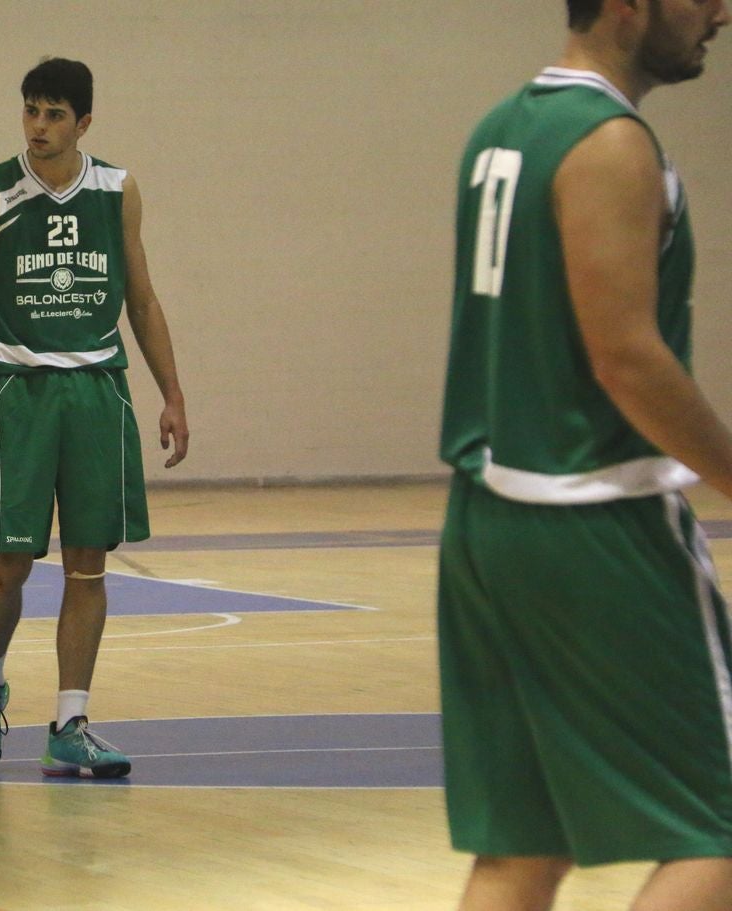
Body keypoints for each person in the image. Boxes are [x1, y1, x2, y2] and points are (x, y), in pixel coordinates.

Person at [438, 0, 732, 908]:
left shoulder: (501, 130)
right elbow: (626, 358)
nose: (721, 8)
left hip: (487, 526)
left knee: (523, 847)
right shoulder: (609, 141)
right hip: (595, 524)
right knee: (719, 831)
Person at [0, 57, 188, 779]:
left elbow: (141, 298)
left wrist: (171, 392)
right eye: (31, 112)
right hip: (20, 390)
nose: (39, 127)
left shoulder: (117, 189)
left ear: (83, 123)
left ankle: (71, 722)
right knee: (12, 561)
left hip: (98, 392)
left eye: (54, 115)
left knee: (88, 564)